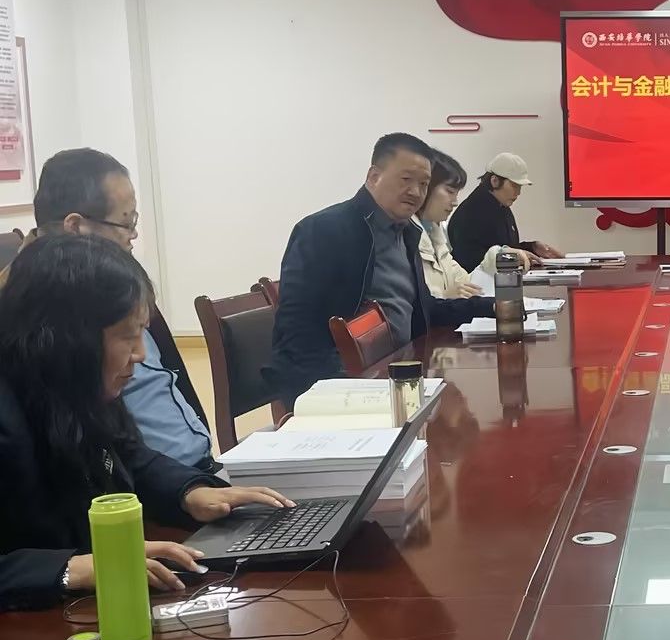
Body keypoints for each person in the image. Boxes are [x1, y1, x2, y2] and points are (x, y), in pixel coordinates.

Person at [0, 236, 293, 610]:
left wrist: (190, 492)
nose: (140, 354)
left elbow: (126, 452)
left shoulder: (70, 385)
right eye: (128, 336)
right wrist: (69, 569)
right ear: (65, 339)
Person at [0, 148, 215, 472]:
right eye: (126, 223)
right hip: (137, 487)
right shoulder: (40, 313)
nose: (134, 235)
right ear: (76, 227)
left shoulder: (112, 286)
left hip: (182, 475)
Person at [265, 133, 493, 407]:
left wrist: (492, 307)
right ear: (374, 176)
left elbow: (423, 309)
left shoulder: (406, 233)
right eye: (406, 179)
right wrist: (343, 393)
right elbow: (297, 330)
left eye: (423, 184)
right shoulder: (324, 230)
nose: (416, 192)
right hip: (344, 388)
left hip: (397, 375)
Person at [415, 150, 532, 299]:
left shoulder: (435, 235)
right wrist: (444, 296)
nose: (455, 202)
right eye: (449, 191)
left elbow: (466, 281)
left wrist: (502, 256)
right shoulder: (472, 212)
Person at [447, 152, 562, 274]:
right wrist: (513, 257)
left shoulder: (500, 205)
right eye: (514, 186)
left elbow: (504, 247)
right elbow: (469, 259)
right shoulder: (471, 212)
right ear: (495, 181)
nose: (518, 193)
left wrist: (532, 247)